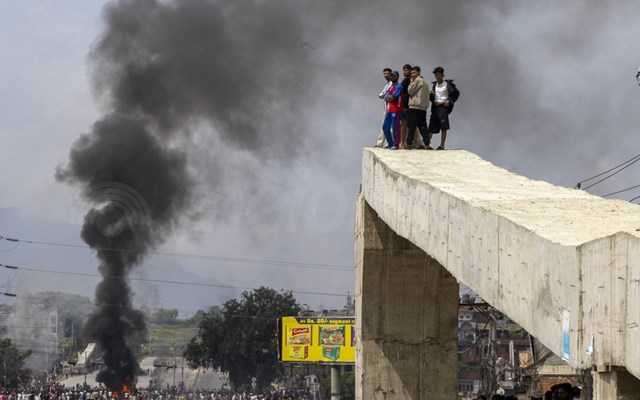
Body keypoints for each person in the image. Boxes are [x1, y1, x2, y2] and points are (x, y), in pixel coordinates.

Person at [428, 66, 460, 150]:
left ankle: (442, 145)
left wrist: (449, 101)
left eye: (438, 74)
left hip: (443, 107)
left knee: (444, 126)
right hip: (435, 106)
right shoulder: (434, 85)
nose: (437, 76)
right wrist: (431, 97)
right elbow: (432, 96)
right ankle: (427, 144)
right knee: (431, 126)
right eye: (436, 75)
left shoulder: (447, 84)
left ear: (442, 75)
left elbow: (456, 93)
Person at [406, 65, 431, 149]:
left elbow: (410, 91)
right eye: (411, 73)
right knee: (423, 126)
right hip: (423, 108)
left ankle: (409, 144)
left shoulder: (416, 81)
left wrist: (411, 82)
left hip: (414, 106)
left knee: (411, 126)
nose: (412, 74)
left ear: (418, 72)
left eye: (414, 72)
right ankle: (427, 143)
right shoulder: (425, 82)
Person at [382, 71, 402, 149]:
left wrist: (389, 97)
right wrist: (388, 97)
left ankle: (396, 144)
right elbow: (385, 96)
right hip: (389, 110)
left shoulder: (399, 86)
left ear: (397, 77)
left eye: (394, 76)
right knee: (385, 127)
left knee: (395, 127)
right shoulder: (391, 86)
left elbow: (393, 97)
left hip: (396, 110)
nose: (392, 77)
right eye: (391, 76)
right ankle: (390, 143)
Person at [398, 64, 412, 149]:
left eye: (406, 70)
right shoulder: (405, 80)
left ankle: (403, 143)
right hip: (403, 105)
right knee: (404, 124)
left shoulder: (410, 80)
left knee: (404, 125)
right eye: (404, 70)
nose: (405, 72)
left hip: (407, 105)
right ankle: (403, 143)